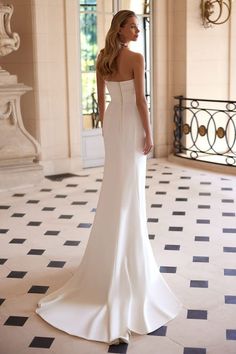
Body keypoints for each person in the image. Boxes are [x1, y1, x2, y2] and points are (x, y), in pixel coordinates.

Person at [36, 10, 182, 345]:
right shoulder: (135, 57)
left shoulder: (104, 57)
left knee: (117, 186)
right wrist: (148, 134)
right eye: (131, 25)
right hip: (130, 121)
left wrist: (105, 124)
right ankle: (125, 254)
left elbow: (101, 98)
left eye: (136, 25)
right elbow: (142, 102)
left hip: (115, 121)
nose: (136, 29)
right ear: (120, 28)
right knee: (128, 188)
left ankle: (113, 250)